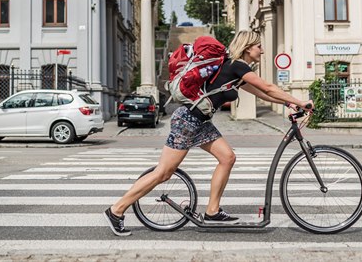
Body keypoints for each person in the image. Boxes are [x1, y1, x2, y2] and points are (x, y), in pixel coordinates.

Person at [103, 30, 314, 236]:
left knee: (227, 157)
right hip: (188, 121)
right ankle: (116, 210)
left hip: (200, 121)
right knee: (163, 173)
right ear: (248, 47)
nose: (262, 51)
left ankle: (212, 211)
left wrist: (289, 103)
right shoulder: (237, 66)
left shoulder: (235, 72)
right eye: (259, 46)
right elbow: (268, 86)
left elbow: (263, 93)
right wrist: (300, 101)